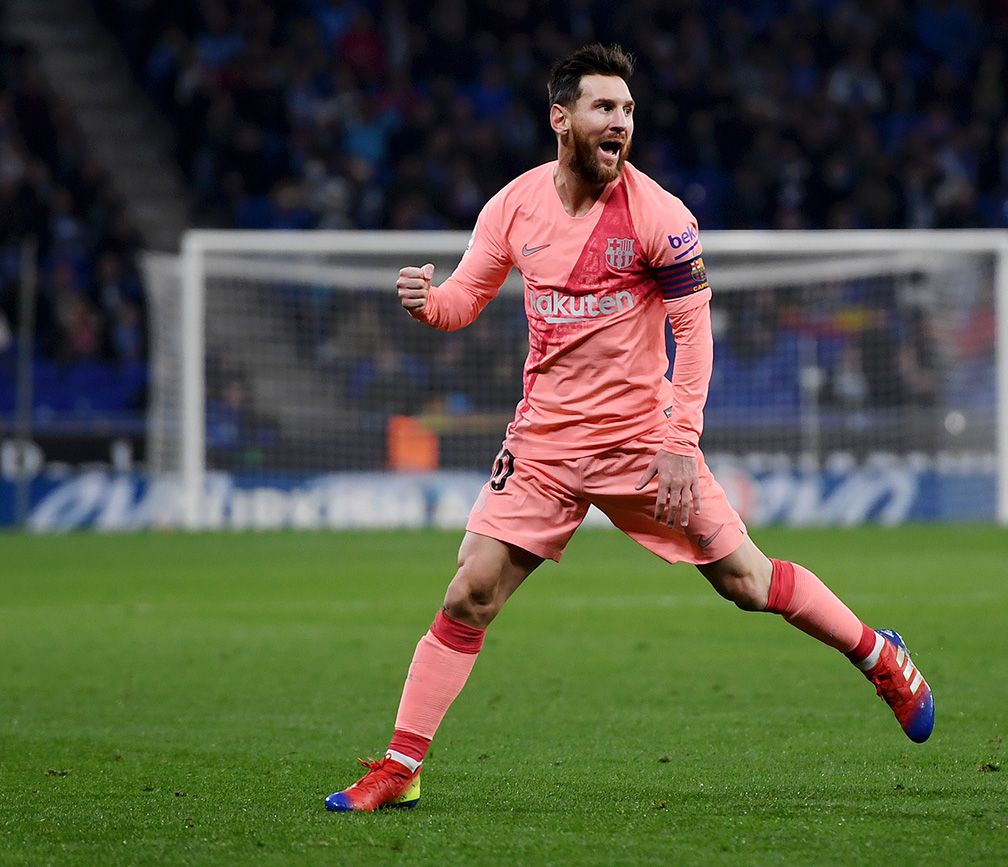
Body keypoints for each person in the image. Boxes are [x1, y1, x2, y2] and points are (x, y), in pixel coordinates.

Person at [326, 44, 934, 813]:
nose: (621, 122)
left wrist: (680, 443)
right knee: (469, 593)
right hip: (545, 442)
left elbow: (695, 334)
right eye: (604, 108)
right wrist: (426, 301)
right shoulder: (513, 206)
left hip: (642, 444)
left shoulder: (661, 218)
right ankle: (401, 765)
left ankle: (880, 653)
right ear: (562, 119)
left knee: (746, 582)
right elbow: (461, 305)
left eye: (628, 110)